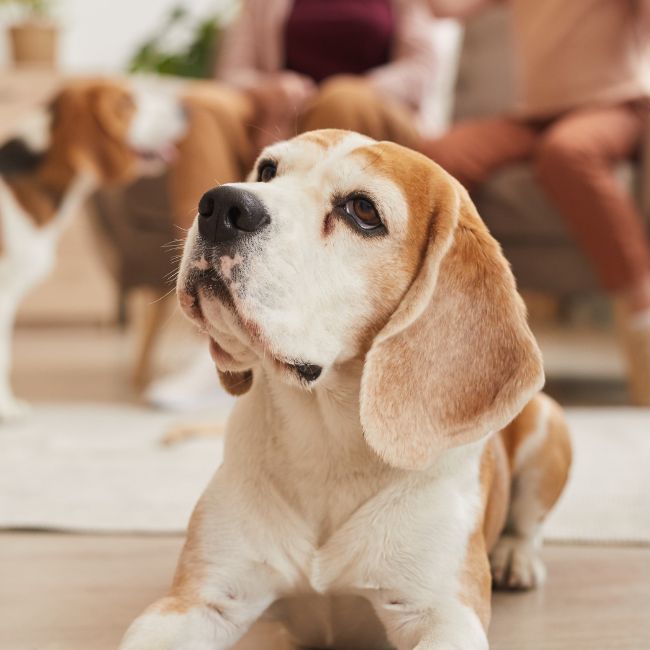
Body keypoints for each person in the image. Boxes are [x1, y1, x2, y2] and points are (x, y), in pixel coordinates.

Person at [422, 0, 650, 405]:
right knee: (439, 159)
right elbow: (443, 8)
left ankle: (642, 306)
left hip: (615, 104)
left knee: (566, 154)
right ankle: (443, 314)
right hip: (535, 117)